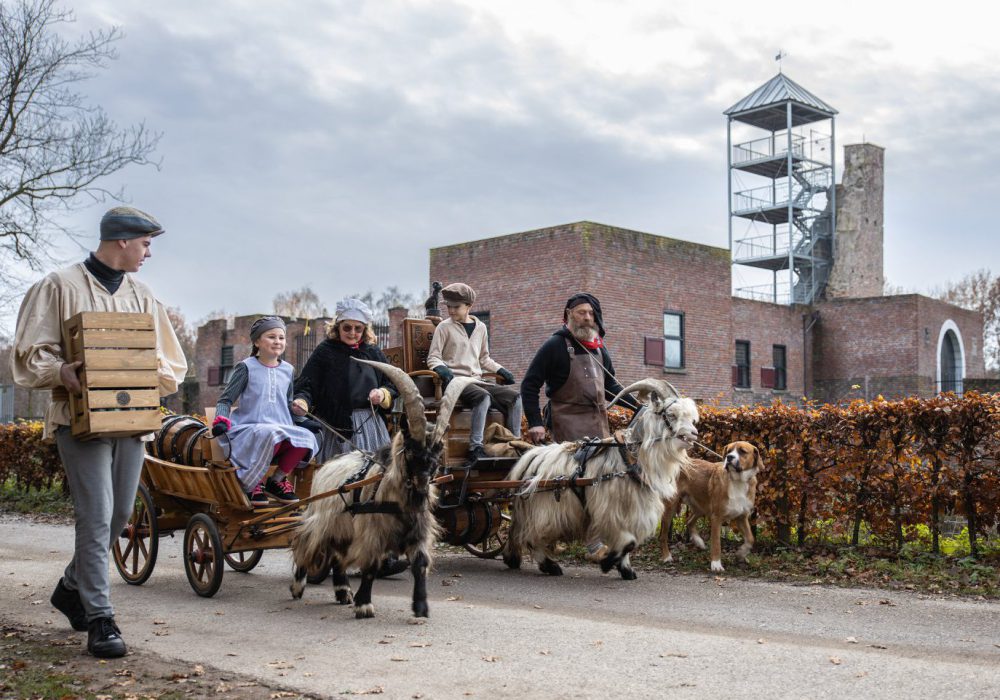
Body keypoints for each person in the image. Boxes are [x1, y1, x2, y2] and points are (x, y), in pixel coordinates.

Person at [10, 206, 187, 659]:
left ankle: (71, 587)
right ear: (122, 241)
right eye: (145, 244)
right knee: (96, 514)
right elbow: (30, 356)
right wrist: (63, 372)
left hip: (132, 421)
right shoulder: (59, 286)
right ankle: (100, 617)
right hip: (79, 420)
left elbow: (172, 364)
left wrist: (143, 373)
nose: (148, 253)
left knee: (119, 514)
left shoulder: (144, 296)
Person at [212, 316, 318, 507]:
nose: (277, 341)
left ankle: (276, 481)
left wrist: (302, 419)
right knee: (271, 433)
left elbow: (287, 404)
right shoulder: (246, 367)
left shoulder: (288, 370)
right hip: (249, 429)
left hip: (280, 428)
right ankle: (252, 483)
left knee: (308, 437)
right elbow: (225, 399)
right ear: (257, 342)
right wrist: (220, 419)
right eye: (271, 337)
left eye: (281, 337)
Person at [520, 292, 638, 444]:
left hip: (600, 427)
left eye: (591, 313)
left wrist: (638, 405)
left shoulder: (600, 349)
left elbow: (610, 387)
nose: (587, 317)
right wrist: (535, 422)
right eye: (581, 312)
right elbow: (530, 385)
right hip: (567, 427)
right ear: (569, 314)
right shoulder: (555, 345)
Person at [426, 282, 523, 463]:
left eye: (456, 307)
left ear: (469, 306)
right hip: (455, 382)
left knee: (515, 398)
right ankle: (475, 447)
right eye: (448, 307)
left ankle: (514, 443)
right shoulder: (444, 327)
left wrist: (500, 369)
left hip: (477, 381)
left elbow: (484, 359)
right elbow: (433, 357)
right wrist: (442, 369)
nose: (451, 311)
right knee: (483, 397)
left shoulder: (481, 328)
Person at [291, 298, 398, 461]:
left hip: (369, 425)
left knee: (372, 475)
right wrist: (302, 402)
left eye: (358, 328)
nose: (352, 332)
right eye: (347, 327)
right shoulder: (324, 351)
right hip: (333, 426)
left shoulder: (373, 352)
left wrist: (382, 394)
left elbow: (391, 383)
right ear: (338, 327)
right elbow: (307, 384)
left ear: (364, 330)